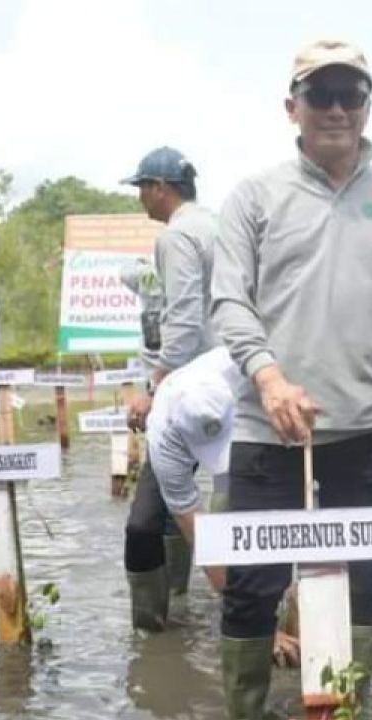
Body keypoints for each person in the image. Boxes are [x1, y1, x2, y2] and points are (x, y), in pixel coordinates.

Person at [211, 39, 372, 718]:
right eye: (320, 94)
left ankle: (345, 710)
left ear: (367, 106)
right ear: (292, 106)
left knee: (360, 591)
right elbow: (228, 301)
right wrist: (268, 379)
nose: (336, 108)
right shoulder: (253, 198)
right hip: (272, 428)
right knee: (253, 588)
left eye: (350, 95)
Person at [143, 345, 300, 666]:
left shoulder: (245, 367)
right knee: (219, 515)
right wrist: (258, 624)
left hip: (261, 405)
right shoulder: (164, 438)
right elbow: (198, 534)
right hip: (175, 426)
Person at [120, 146, 218, 629]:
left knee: (143, 521)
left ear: (160, 188)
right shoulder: (217, 226)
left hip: (193, 390)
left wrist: (153, 386)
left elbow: (182, 321)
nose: (141, 199)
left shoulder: (178, 236)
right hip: (237, 386)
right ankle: (181, 597)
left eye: (141, 188)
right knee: (193, 497)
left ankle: (151, 636)